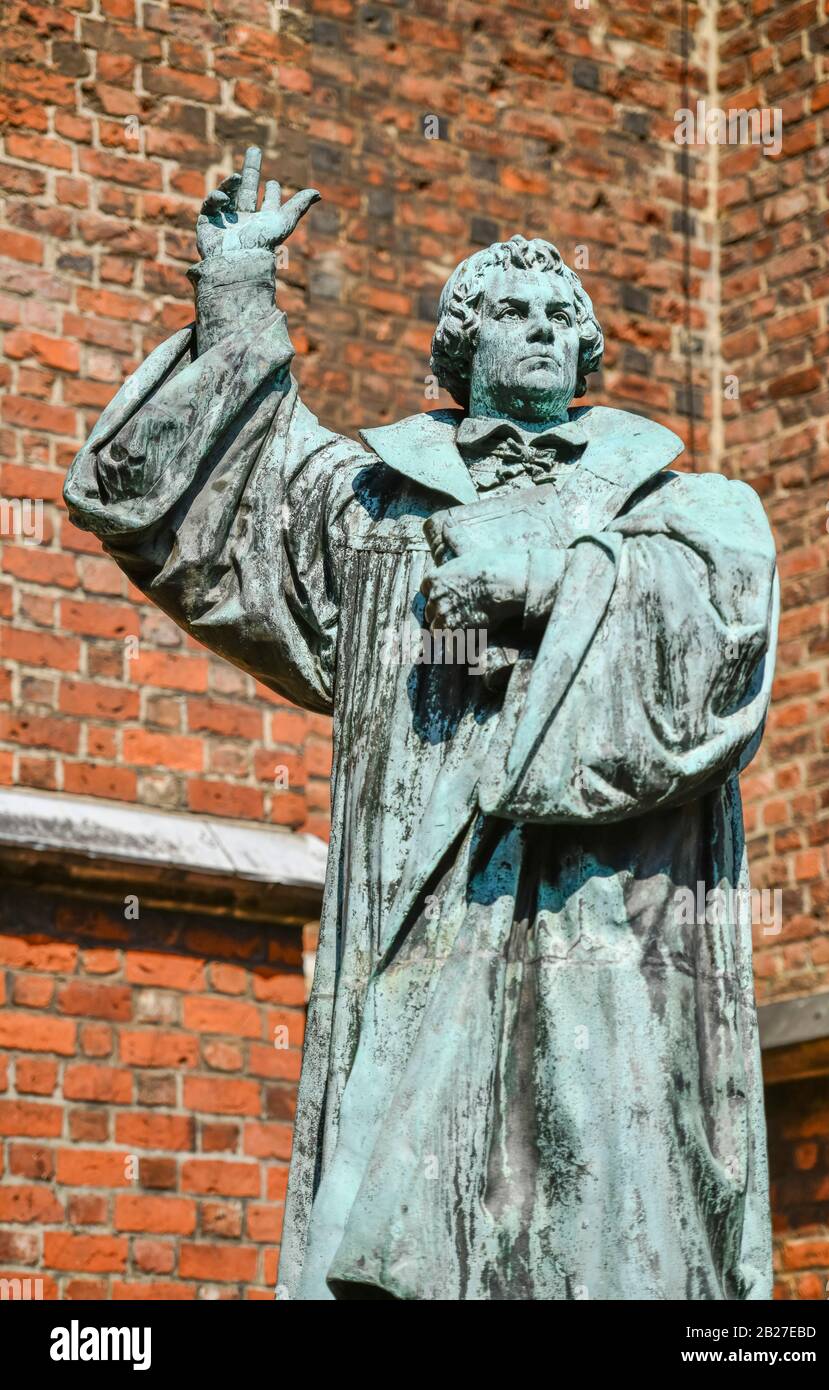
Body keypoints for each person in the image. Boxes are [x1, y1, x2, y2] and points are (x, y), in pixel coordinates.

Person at [65, 147, 779, 1301]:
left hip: (603, 929)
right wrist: (237, 304)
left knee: (602, 1207)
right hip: (422, 912)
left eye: (562, 311)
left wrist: (546, 580)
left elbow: (721, 622)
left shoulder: (668, 500)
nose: (543, 328)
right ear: (461, 343)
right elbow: (201, 509)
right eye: (510, 309)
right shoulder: (373, 505)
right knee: (408, 1216)